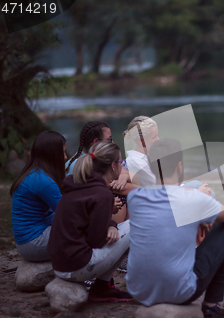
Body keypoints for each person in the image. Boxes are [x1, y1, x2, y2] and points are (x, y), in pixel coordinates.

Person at [127, 138, 224, 318]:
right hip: (179, 293)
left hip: (139, 291)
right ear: (180, 166)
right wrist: (202, 218)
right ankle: (211, 308)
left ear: (152, 168)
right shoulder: (193, 198)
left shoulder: (135, 197)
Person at [48, 142, 132, 302]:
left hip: (60, 265)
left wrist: (111, 224)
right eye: (121, 162)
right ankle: (102, 286)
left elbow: (85, 222)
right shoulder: (102, 194)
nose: (122, 166)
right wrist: (110, 225)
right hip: (75, 267)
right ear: (113, 166)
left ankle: (102, 287)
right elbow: (96, 240)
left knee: (123, 229)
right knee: (136, 226)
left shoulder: (79, 185)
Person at [10, 130, 67, 262]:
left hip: (29, 240)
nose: (65, 157)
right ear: (52, 154)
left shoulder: (36, 173)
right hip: (33, 243)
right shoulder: (42, 180)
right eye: (62, 152)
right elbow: (67, 213)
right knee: (84, 233)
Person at [67, 121, 133, 223]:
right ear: (96, 142)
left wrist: (124, 176)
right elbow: (134, 188)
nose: (113, 143)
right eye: (109, 139)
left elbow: (130, 175)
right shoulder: (84, 165)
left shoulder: (93, 159)